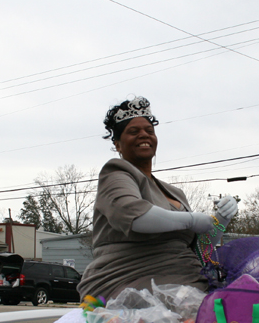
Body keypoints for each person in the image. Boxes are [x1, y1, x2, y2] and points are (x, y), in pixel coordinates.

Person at [77, 96, 238, 301]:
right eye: (133, 131)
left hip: (189, 279)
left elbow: (199, 250)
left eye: (149, 131)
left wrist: (220, 220)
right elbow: (136, 217)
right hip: (132, 282)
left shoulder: (176, 194)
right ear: (117, 144)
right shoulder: (116, 173)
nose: (144, 135)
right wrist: (191, 220)